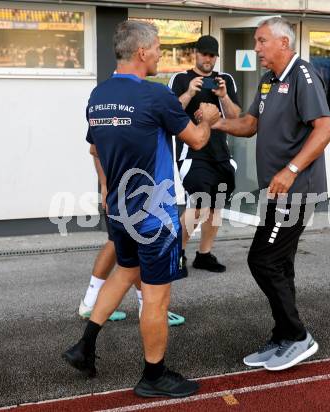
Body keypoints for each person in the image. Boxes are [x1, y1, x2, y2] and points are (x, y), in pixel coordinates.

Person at [63, 20, 220, 398]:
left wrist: (105, 187)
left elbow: (96, 150)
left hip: (119, 210)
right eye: (159, 49)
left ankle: (84, 345)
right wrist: (210, 121)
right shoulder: (154, 96)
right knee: (156, 297)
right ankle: (154, 375)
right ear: (142, 53)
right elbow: (197, 140)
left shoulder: (98, 96)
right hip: (155, 214)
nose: (161, 55)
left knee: (124, 271)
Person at [207, 17, 330, 371]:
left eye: (262, 41)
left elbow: (325, 130)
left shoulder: (302, 76)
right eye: (256, 41)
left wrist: (290, 170)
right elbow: (250, 125)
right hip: (276, 193)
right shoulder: (267, 82)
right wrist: (214, 122)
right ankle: (283, 337)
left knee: (262, 260)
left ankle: (297, 336)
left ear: (283, 42)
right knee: (280, 264)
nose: (257, 48)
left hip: (297, 192)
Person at [168, 35, 241, 273]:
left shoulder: (225, 80)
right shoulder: (180, 78)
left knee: (216, 206)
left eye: (212, 55)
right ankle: (175, 253)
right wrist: (189, 92)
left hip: (221, 154)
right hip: (193, 153)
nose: (207, 59)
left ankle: (204, 254)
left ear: (216, 57)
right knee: (199, 205)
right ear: (196, 54)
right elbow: (169, 114)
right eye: (204, 54)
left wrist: (224, 97)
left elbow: (235, 117)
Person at [78, 219, 186, 326]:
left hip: (119, 205)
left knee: (117, 242)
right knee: (133, 249)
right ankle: (147, 308)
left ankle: (90, 302)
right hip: (142, 207)